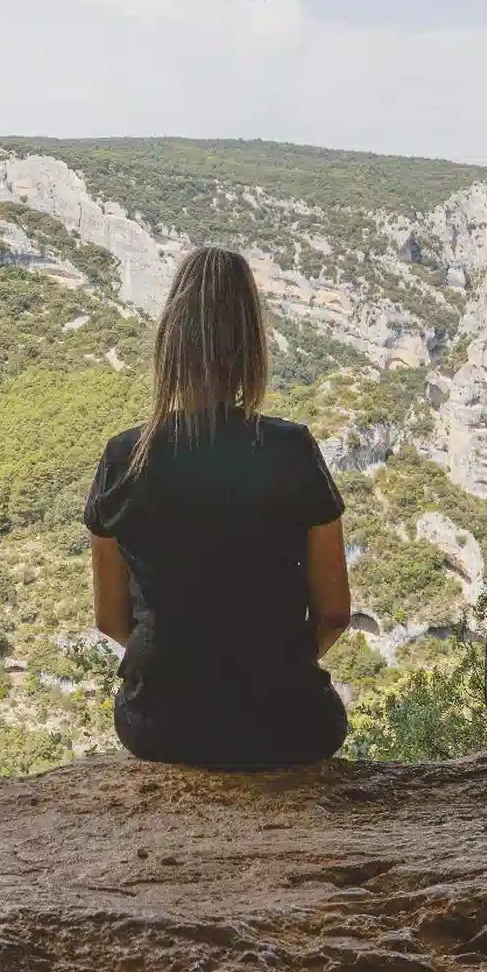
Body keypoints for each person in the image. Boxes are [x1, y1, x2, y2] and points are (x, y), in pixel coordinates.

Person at [83, 245, 352, 771]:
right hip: (290, 724)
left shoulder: (124, 458)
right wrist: (266, 669)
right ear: (251, 346)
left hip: (160, 725)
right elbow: (336, 614)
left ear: (170, 342)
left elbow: (110, 618)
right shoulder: (291, 450)